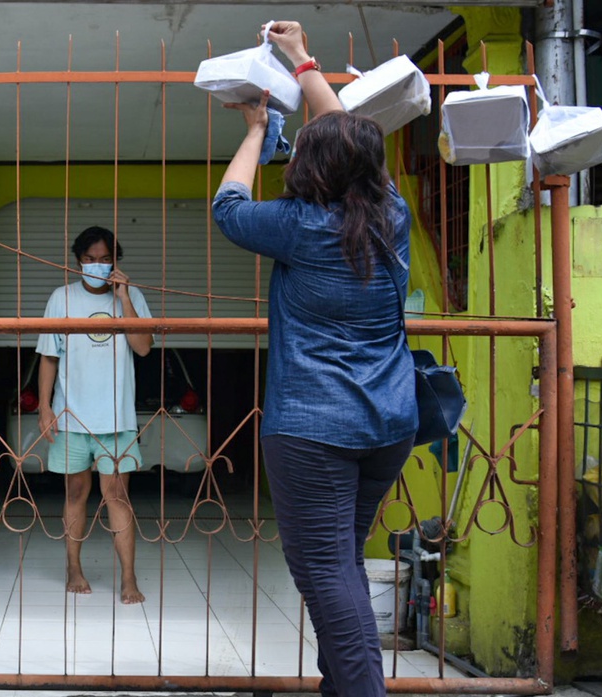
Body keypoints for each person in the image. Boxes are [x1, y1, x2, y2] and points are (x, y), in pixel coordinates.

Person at [211, 21, 418, 697]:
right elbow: (351, 144)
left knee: (327, 572)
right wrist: (303, 62)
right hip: (387, 422)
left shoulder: (299, 226)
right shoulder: (390, 214)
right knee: (343, 565)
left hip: (313, 430)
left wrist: (253, 132)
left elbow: (228, 205)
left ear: (309, 171)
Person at [36, 226, 153, 605]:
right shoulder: (61, 297)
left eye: (105, 260)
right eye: (89, 260)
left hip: (116, 419)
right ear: (77, 262)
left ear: (115, 262)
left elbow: (144, 347)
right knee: (75, 492)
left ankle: (129, 580)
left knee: (117, 496)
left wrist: (124, 299)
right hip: (71, 416)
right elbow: (49, 355)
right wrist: (44, 406)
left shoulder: (131, 296)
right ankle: (73, 568)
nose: (97, 266)